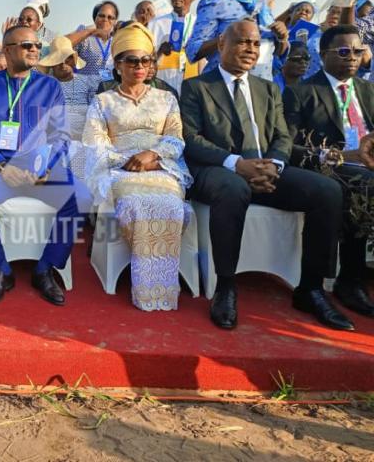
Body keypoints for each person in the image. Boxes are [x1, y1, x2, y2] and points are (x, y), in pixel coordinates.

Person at [181, 18, 352, 331]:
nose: (250, 49)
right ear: (222, 44)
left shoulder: (268, 89)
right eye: (243, 42)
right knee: (233, 189)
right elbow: (191, 139)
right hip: (217, 170)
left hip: (266, 169)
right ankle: (226, 287)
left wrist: (274, 164)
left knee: (327, 191)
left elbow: (282, 137)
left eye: (256, 44)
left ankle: (310, 288)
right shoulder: (197, 87)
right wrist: (236, 163)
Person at [0, 25, 92, 307]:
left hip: (41, 169)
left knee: (81, 198)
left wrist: (47, 166)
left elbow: (59, 135)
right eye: (26, 45)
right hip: (0, 168)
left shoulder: (50, 87)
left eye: (37, 45)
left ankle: (46, 267)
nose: (34, 50)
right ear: (7, 51)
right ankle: (1, 269)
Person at [83, 22, 192, 311]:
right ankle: (147, 289)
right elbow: (95, 144)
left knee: (170, 205)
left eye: (146, 60)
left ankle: (162, 286)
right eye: (132, 61)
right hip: (120, 169)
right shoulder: (102, 101)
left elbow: (175, 139)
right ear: (117, 65)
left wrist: (151, 156)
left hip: (161, 166)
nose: (140, 67)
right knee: (135, 202)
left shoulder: (167, 98)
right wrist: (127, 161)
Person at [283, 24, 374, 319]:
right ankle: (348, 279)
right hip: (329, 166)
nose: (352, 58)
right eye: (344, 51)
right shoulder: (301, 93)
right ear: (323, 55)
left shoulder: (368, 91)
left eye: (358, 51)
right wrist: (341, 155)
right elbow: (290, 148)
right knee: (365, 183)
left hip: (368, 164)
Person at [186, 0, 289, 81]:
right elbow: (193, 51)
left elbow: (277, 58)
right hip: (222, 87)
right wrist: (230, 35)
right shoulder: (218, 5)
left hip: (260, 90)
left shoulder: (265, 13)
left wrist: (282, 39)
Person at [38, 36, 96, 181]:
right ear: (51, 64)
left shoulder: (88, 82)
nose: (63, 64)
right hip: (57, 140)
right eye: (58, 60)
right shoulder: (46, 85)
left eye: (67, 59)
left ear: (74, 60)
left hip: (84, 139)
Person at [148, 0, 199, 91]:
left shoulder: (198, 24)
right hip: (163, 84)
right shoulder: (156, 23)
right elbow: (146, 58)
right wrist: (160, 51)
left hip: (191, 84)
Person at [67, 0, 120, 79]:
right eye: (101, 16)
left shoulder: (117, 41)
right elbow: (63, 44)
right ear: (95, 18)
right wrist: (90, 31)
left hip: (108, 88)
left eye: (110, 17)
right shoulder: (85, 38)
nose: (105, 19)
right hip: (84, 88)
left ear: (115, 21)